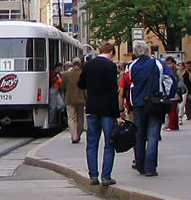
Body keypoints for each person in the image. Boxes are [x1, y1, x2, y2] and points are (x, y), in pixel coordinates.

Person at [128, 41, 177, 176]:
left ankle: (140, 165)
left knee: (140, 135)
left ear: (135, 52)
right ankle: (150, 167)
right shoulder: (158, 63)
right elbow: (171, 79)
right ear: (147, 50)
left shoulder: (132, 66)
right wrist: (168, 95)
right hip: (155, 103)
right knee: (153, 134)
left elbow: (130, 83)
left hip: (138, 104)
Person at [77, 42, 119, 187]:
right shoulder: (111, 67)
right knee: (109, 143)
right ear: (111, 53)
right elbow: (114, 90)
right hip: (107, 109)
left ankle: (93, 175)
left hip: (92, 108)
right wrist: (117, 113)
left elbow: (81, 84)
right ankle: (106, 176)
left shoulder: (89, 65)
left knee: (92, 143)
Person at [61, 57, 86, 143]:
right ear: (80, 64)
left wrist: (64, 95)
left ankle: (74, 136)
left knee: (71, 118)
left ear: (72, 64)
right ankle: (78, 134)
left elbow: (62, 87)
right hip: (81, 99)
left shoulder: (67, 75)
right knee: (80, 118)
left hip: (70, 99)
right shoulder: (83, 74)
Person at [164, 56, 181, 131]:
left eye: (169, 63)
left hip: (175, 92)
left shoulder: (176, 70)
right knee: (172, 110)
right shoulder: (168, 71)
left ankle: (172, 126)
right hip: (171, 93)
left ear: (173, 63)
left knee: (172, 110)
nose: (168, 65)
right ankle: (174, 125)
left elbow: (181, 81)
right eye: (167, 64)